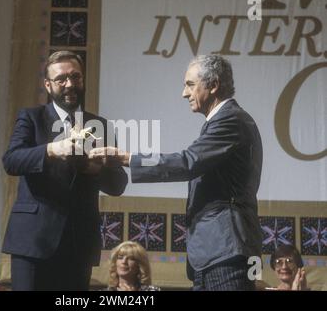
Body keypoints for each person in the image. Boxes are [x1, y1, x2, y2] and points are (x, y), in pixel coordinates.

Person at [90, 55, 263, 291]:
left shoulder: (230, 120)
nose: (184, 93)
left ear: (213, 85)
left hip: (226, 250)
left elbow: (186, 162)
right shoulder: (223, 121)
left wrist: (126, 158)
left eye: (190, 85)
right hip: (213, 252)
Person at [2, 50, 128, 291]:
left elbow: (118, 185)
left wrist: (95, 169)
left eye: (76, 77)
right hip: (33, 241)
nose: (70, 84)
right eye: (61, 79)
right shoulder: (31, 118)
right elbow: (11, 161)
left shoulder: (100, 125)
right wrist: (52, 149)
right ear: (48, 85)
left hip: (78, 243)